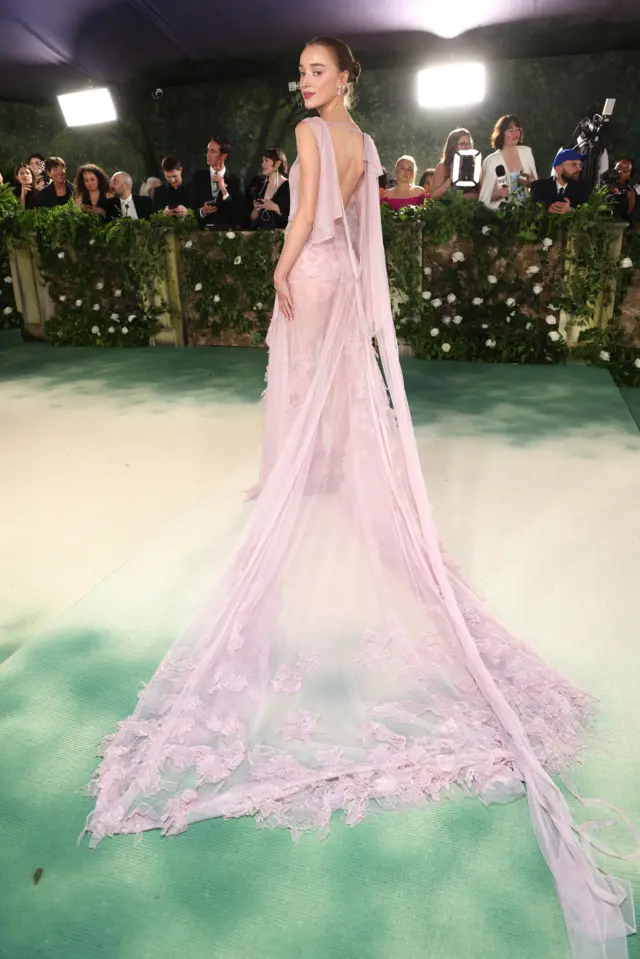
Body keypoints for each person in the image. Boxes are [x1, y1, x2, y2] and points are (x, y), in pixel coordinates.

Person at [84, 36, 635, 959]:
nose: (303, 81)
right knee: (332, 388)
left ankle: (301, 482)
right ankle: (321, 473)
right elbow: (357, 223)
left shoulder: (308, 133)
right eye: (300, 70)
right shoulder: (369, 145)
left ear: (344, 78)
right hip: (348, 282)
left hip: (310, 269)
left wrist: (275, 265)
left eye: (317, 69)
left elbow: (303, 217)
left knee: (300, 389)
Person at [479, 115, 537, 210]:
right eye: (511, 131)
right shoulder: (491, 161)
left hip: (526, 213)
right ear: (501, 134)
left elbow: (535, 182)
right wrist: (497, 194)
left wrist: (529, 182)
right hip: (500, 215)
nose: (516, 133)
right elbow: (483, 199)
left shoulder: (526, 152)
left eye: (518, 129)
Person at [192, 137, 242, 229]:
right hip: (200, 235)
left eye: (213, 151)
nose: (208, 154)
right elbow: (189, 209)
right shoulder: (197, 178)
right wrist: (202, 211)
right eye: (208, 150)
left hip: (226, 236)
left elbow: (237, 215)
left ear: (223, 156)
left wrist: (223, 190)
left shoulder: (235, 182)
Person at [530, 148, 592, 213]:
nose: (579, 169)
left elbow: (590, 214)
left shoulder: (585, 189)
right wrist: (546, 211)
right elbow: (530, 214)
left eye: (580, 164)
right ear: (559, 169)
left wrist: (572, 211)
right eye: (574, 164)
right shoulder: (538, 187)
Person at [245, 148, 290, 229]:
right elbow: (252, 219)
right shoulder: (261, 186)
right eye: (262, 161)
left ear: (277, 164)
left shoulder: (289, 186)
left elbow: (293, 217)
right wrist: (256, 209)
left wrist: (274, 207)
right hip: (261, 236)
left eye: (266, 161)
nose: (263, 164)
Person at [430, 129, 478, 200]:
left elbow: (483, 194)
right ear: (453, 146)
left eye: (469, 143)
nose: (467, 147)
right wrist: (450, 180)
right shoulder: (443, 166)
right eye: (462, 144)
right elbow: (433, 196)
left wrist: (472, 196)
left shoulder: (475, 166)